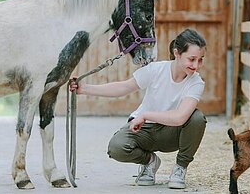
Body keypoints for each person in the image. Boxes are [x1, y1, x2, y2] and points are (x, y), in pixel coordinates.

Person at [70, 29, 207, 189]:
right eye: (191, 59)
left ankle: (180, 168)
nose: (196, 65)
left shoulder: (196, 83)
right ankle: (149, 162)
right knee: (117, 148)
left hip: (172, 133)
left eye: (200, 60)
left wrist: (146, 115)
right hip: (144, 130)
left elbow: (180, 118)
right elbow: (123, 87)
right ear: (177, 53)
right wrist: (84, 89)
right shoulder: (156, 70)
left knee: (197, 118)